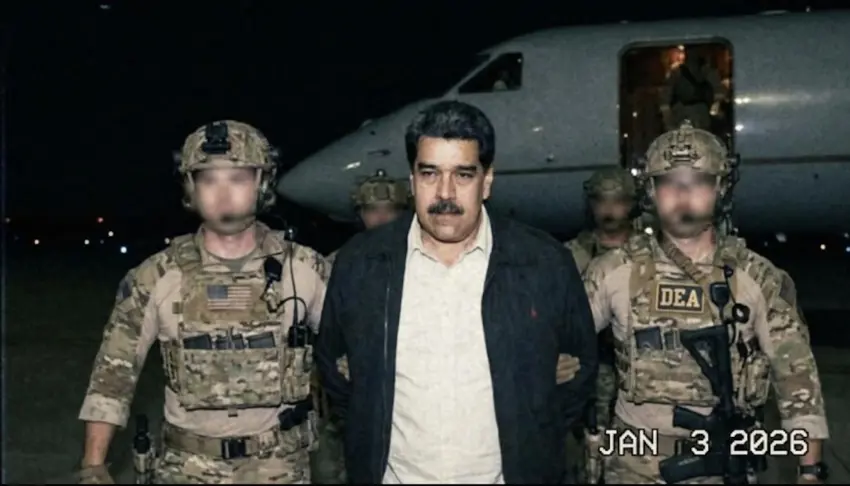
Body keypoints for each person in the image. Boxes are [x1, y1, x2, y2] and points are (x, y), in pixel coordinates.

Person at [315, 100, 598, 484]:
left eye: (463, 175)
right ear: (412, 180)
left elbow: (577, 375)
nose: (444, 193)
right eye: (430, 173)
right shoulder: (361, 264)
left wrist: (531, 440)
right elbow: (338, 376)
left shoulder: (543, 263)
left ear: (487, 181)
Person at [76, 120, 327, 484]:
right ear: (191, 189)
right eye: (209, 180)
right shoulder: (156, 276)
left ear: (262, 184)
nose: (223, 193)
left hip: (279, 468)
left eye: (237, 178)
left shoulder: (305, 269)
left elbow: (351, 358)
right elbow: (113, 375)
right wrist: (93, 466)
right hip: (187, 469)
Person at [583, 120, 829, 484]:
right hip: (632, 466)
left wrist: (810, 471)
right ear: (651, 191)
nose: (683, 194)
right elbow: (560, 343)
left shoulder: (757, 278)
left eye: (698, 181)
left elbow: (797, 381)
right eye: (669, 182)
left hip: (722, 465)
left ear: (721, 188)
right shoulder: (613, 271)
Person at [311, 169, 409, 484]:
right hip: (353, 395)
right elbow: (324, 333)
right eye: (372, 210)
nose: (380, 219)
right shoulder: (339, 263)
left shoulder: (421, 260)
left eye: (389, 210)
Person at [562, 167, 638, 483]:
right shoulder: (571, 255)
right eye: (601, 201)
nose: (608, 209)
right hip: (588, 372)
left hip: (639, 370)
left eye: (617, 201)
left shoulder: (650, 254)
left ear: (630, 204)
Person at [322, 168, 409, 279]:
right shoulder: (345, 257)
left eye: (390, 210)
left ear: (401, 214)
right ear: (361, 214)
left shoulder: (417, 253)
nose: (382, 218)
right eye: (373, 210)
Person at [660, 47, 724, 132]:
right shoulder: (677, 72)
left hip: (697, 113)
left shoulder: (706, 71)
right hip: (686, 112)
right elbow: (665, 96)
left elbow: (718, 91)